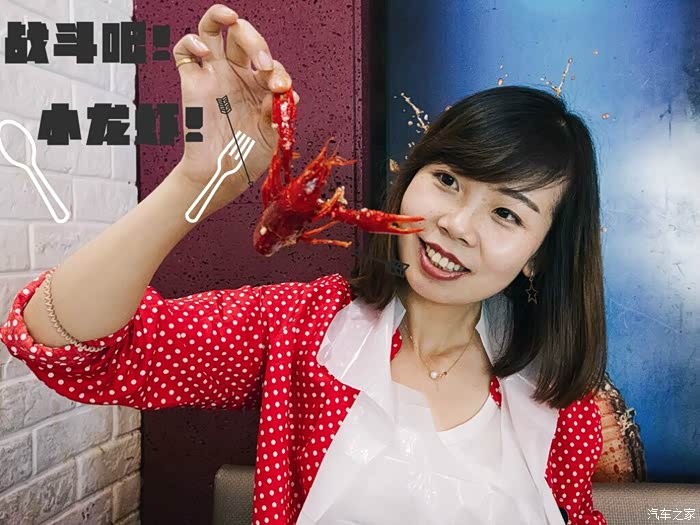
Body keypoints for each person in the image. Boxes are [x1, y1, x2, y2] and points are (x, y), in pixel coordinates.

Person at [0, 4, 607, 524]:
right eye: (447, 180)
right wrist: (197, 181)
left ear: (540, 256)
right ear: (410, 177)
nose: (457, 224)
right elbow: (60, 344)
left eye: (506, 214)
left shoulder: (559, 398)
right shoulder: (299, 326)